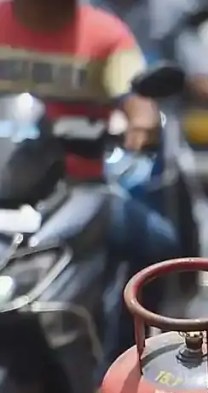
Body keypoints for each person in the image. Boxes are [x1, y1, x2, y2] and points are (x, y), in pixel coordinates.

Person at [0, 0, 181, 365]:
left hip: (79, 190)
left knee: (160, 249)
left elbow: (137, 97)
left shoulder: (105, 34)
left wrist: (141, 122)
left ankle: (125, 364)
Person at [88, 0, 208, 103]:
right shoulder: (82, 9)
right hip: (97, 117)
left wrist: (177, 81)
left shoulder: (173, 11)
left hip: (159, 117)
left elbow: (206, 86)